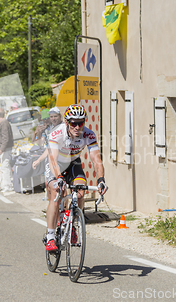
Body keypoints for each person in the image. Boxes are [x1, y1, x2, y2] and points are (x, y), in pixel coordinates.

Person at [44, 104, 108, 252]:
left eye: (81, 123)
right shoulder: (56, 133)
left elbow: (96, 160)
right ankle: (50, 237)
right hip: (56, 164)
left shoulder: (89, 134)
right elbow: (52, 159)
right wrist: (59, 177)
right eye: (74, 123)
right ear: (66, 122)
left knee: (80, 193)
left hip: (74, 163)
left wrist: (101, 179)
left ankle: (72, 224)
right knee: (56, 193)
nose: (77, 127)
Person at [0, 108, 14, 193]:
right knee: (5, 166)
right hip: (6, 148)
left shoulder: (3, 123)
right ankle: (5, 185)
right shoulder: (4, 122)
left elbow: (5, 138)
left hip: (6, 149)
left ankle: (8, 186)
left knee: (5, 167)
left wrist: (1, 149)